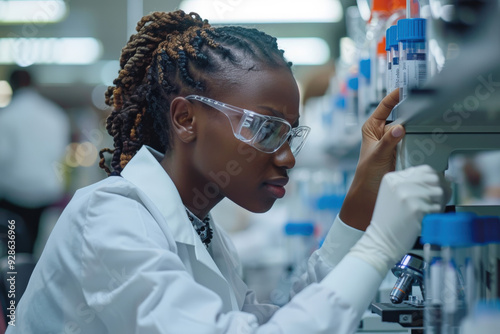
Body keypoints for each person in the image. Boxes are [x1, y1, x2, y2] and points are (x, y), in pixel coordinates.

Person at [7, 10, 449, 333]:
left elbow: (271, 321)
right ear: (185, 119)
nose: (287, 157)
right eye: (265, 128)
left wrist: (358, 206)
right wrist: (377, 249)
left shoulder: (199, 228)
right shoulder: (108, 221)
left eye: (290, 135)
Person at [0, 69, 70, 254]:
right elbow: (59, 153)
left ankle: (13, 279)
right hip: (46, 192)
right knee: (37, 248)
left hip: (13, 192)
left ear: (12, 85)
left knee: (13, 249)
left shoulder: (7, 116)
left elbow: (3, 156)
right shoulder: (54, 115)